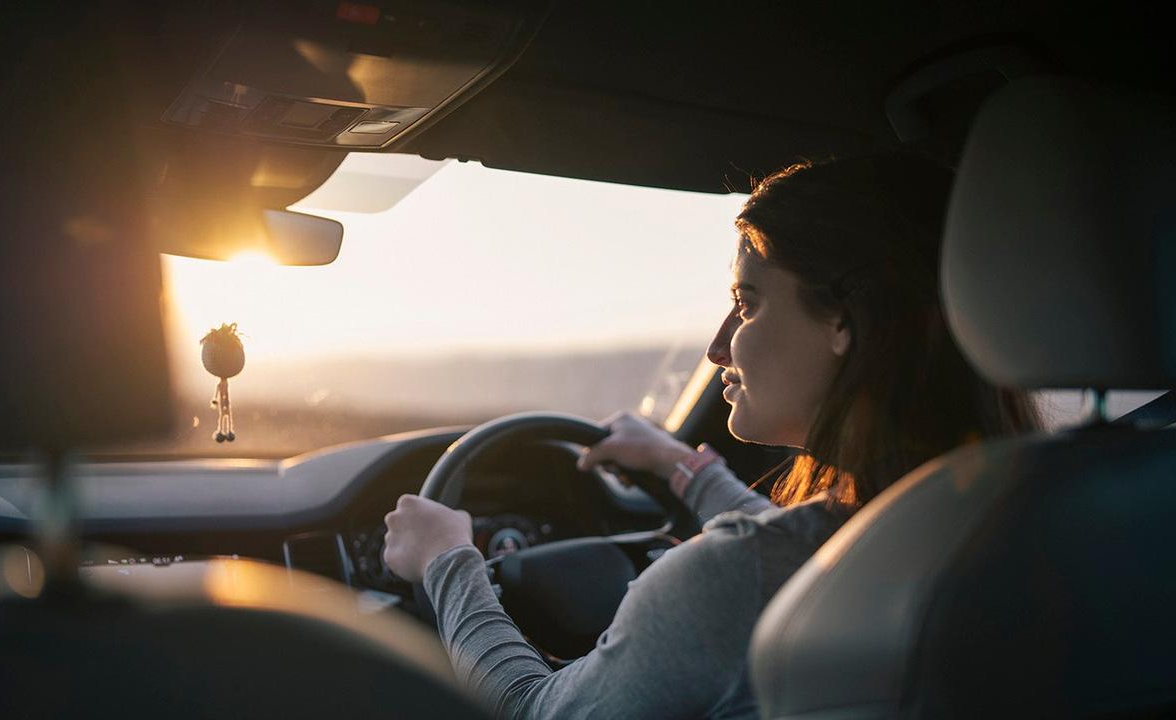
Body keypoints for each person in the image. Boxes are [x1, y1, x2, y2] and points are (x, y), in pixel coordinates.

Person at [382, 154, 1040, 719]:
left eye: (747, 304)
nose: (718, 346)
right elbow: (813, 558)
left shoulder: (736, 575)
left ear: (843, 321)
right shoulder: (1020, 503)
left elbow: (534, 709)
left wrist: (448, 563)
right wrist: (683, 468)